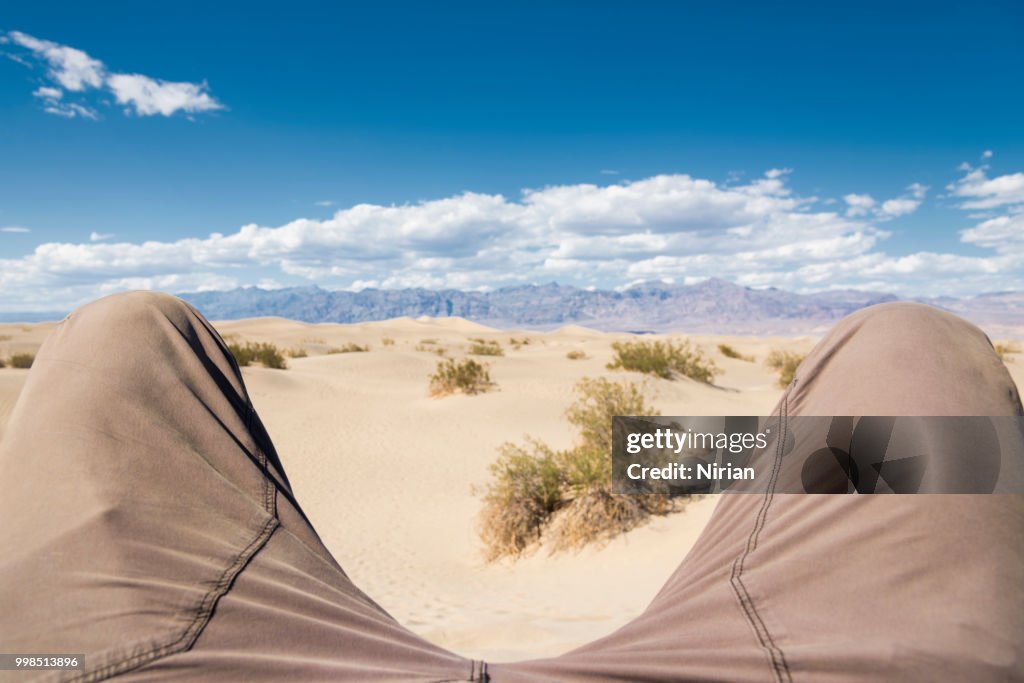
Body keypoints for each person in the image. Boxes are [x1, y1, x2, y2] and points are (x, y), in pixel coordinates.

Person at [1, 291, 1021, 682]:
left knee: (124, 330)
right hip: (858, 656)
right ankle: (712, 467)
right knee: (913, 341)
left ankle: (685, 463)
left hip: (113, 659)